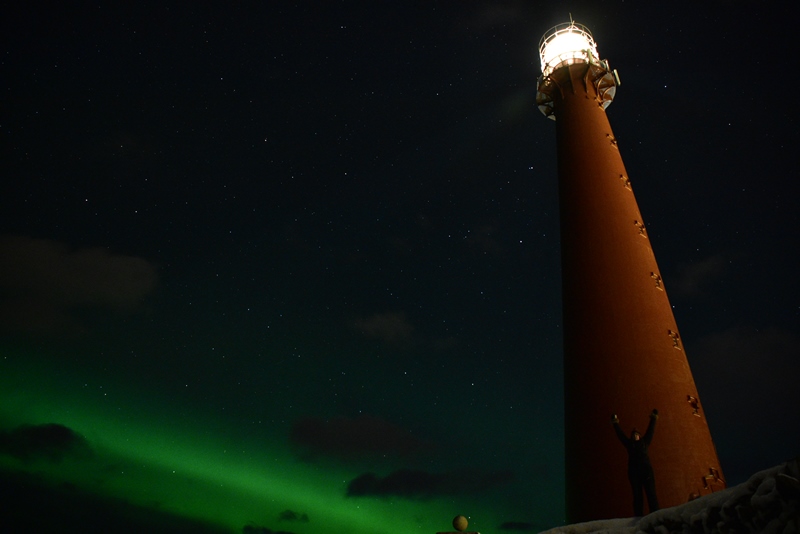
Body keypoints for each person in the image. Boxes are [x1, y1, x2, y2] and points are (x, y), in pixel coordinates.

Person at [611, 409, 660, 516]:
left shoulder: (645, 442)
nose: (634, 436)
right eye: (633, 435)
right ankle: (639, 516)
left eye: (636, 434)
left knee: (651, 493)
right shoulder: (629, 444)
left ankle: (656, 514)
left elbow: (650, 430)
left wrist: (653, 418)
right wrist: (615, 423)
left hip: (646, 471)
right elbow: (621, 435)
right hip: (634, 472)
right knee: (637, 496)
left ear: (640, 436)